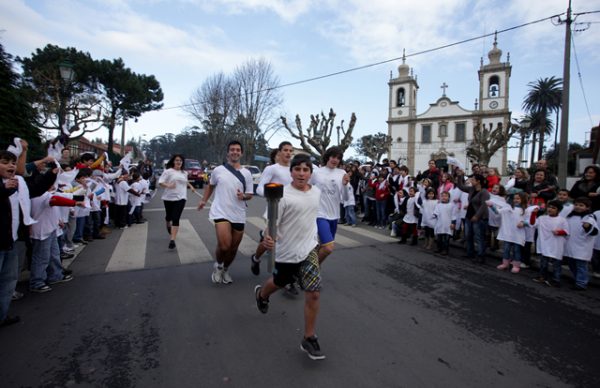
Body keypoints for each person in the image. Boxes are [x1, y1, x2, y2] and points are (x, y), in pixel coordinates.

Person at [253, 154, 326, 360]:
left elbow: (312, 216)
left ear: (311, 173)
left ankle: (309, 337)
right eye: (298, 169)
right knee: (279, 281)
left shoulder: (316, 193)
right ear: (291, 172)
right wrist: (268, 237)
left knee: (314, 293)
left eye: (306, 170)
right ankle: (262, 295)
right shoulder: (281, 195)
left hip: (309, 249)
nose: (302, 173)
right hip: (286, 252)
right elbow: (271, 223)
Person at [198, 141, 253, 284]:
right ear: (228, 153)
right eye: (232, 150)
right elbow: (210, 186)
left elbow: (250, 194)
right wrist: (204, 200)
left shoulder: (246, 173)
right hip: (221, 211)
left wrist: (244, 196)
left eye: (238, 150)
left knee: (233, 248)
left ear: (241, 153)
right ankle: (219, 265)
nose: (235, 152)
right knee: (224, 246)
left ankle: (226, 269)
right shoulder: (218, 170)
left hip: (239, 213)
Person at [250, 142, 293, 276]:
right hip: (275, 210)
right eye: (285, 150)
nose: (288, 153)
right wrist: (274, 195)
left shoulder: (295, 169)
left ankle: (287, 277)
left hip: (291, 212)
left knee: (287, 242)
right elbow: (259, 188)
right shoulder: (272, 169)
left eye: (290, 151)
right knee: (270, 241)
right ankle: (256, 258)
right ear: (279, 152)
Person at [309, 146, 349, 264]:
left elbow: (346, 198)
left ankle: (309, 269)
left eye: (338, 158)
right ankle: (312, 269)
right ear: (327, 157)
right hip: (320, 214)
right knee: (328, 247)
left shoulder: (342, 173)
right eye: (333, 156)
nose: (335, 160)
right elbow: (307, 189)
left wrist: (345, 185)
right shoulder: (316, 172)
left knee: (323, 246)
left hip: (334, 216)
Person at [158, 154, 196, 249]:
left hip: (181, 198)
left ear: (182, 162)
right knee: (169, 216)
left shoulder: (184, 173)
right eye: (177, 160)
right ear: (173, 162)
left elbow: (185, 181)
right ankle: (167, 222)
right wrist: (168, 186)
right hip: (169, 198)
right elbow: (160, 182)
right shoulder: (168, 172)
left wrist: (191, 186)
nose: (179, 162)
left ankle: (172, 240)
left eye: (180, 160)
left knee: (176, 217)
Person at [530, 200, 569, 287]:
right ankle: (542, 276)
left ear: (558, 210)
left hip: (556, 245)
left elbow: (566, 231)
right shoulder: (542, 218)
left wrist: (559, 232)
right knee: (543, 263)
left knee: (556, 264)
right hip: (544, 244)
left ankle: (556, 279)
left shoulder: (562, 220)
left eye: (553, 208)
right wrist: (533, 214)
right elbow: (532, 223)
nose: (550, 209)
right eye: (549, 207)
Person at [563, 197, 598, 290]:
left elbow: (594, 232)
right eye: (576, 205)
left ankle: (581, 283)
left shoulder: (589, 218)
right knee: (571, 264)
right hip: (571, 244)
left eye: (581, 205)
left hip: (582, 246)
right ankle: (577, 278)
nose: (578, 207)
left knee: (581, 265)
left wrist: (587, 227)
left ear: (587, 207)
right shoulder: (570, 216)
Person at [455, 172, 490, 263]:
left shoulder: (484, 192)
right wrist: (459, 176)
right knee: (468, 235)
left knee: (479, 237)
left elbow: (484, 206)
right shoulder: (471, 189)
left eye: (473, 179)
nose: (471, 180)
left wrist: (477, 216)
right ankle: (470, 252)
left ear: (478, 181)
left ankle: (480, 255)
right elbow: (461, 187)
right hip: (469, 215)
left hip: (479, 218)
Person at [492, 192, 527, 273]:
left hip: (518, 234)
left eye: (518, 198)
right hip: (508, 234)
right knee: (506, 249)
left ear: (522, 199)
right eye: (514, 198)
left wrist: (524, 223)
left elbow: (530, 222)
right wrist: (491, 206)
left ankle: (516, 265)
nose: (516, 200)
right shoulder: (509, 208)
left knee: (516, 250)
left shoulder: (525, 210)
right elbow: (498, 212)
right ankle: (505, 263)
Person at [433, 191, 455, 255]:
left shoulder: (451, 205)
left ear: (449, 197)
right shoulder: (438, 205)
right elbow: (435, 213)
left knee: (446, 239)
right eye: (442, 196)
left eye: (446, 196)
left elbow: (454, 215)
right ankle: (439, 248)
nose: (444, 197)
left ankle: (445, 250)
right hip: (440, 224)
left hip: (448, 225)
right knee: (439, 238)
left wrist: (453, 223)